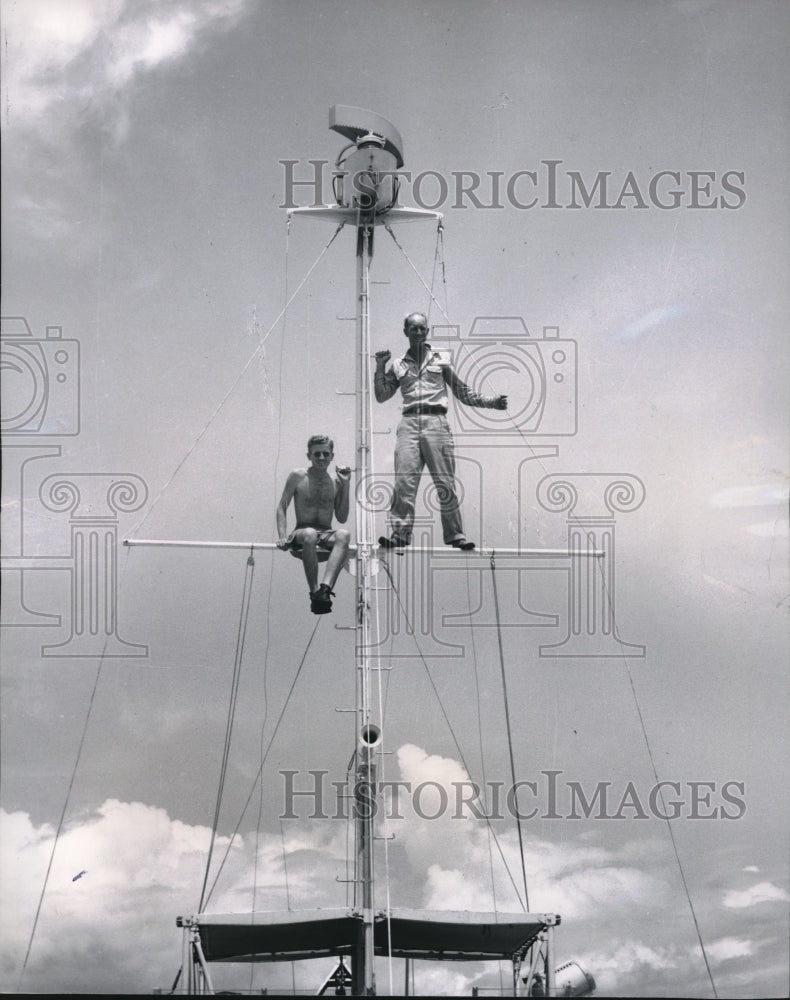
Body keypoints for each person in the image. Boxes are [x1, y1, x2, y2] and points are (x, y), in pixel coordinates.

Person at [374, 312, 507, 551]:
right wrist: (380, 366)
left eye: (421, 328)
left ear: (427, 331)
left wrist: (492, 403)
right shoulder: (398, 365)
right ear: (405, 332)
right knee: (404, 482)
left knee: (445, 482)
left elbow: (461, 391)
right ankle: (400, 534)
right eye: (412, 328)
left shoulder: (441, 358)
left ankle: (455, 534)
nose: (417, 332)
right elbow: (382, 396)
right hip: (409, 423)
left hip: (437, 422)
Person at [276, 435, 351, 614]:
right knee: (309, 533)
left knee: (344, 534)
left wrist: (346, 485)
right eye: (317, 454)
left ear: (332, 456)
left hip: (325, 535)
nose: (322, 458)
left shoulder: (335, 481)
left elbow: (341, 517)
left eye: (326, 454)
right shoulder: (298, 475)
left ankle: (325, 590)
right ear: (309, 455)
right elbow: (281, 508)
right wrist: (282, 537)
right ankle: (314, 591)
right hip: (302, 534)